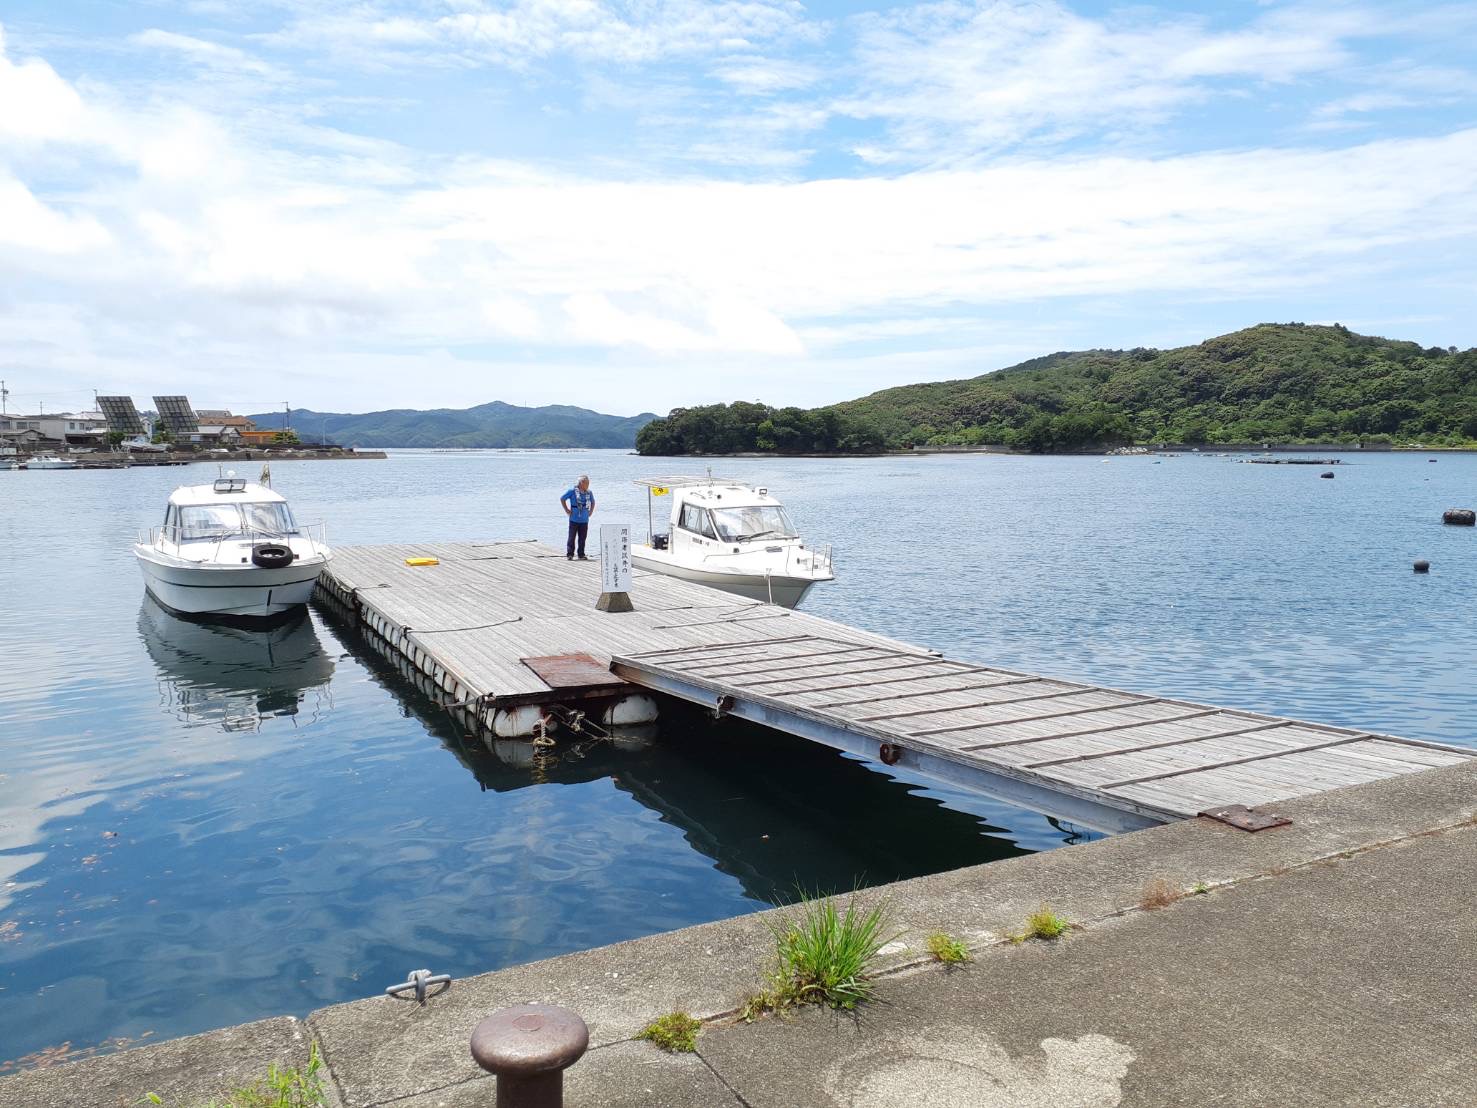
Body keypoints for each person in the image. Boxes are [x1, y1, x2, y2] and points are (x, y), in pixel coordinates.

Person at [560, 475, 596, 560]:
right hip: (574, 519)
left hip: (584, 519)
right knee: (571, 537)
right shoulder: (572, 491)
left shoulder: (589, 492)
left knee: (582, 538)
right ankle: (570, 554)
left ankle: (581, 554)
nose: (588, 485)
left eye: (588, 483)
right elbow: (562, 498)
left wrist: (591, 511)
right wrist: (567, 510)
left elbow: (593, 502)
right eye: (586, 483)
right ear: (581, 483)